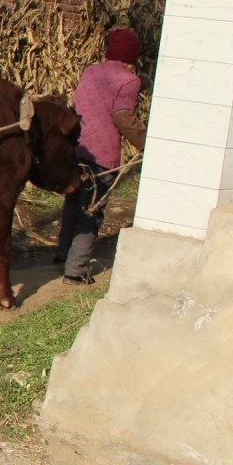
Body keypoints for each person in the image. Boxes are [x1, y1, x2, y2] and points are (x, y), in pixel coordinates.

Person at [55, 26, 147, 284]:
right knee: (91, 211)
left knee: (74, 202)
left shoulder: (91, 71)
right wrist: (147, 143)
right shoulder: (129, 80)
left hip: (76, 149)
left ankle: (63, 254)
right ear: (130, 59)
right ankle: (75, 270)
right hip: (102, 157)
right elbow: (123, 117)